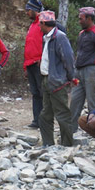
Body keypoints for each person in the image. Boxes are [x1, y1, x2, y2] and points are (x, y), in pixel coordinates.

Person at [37, 11, 77, 147]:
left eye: (39, 23)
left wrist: (72, 78)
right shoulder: (47, 38)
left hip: (57, 82)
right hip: (47, 80)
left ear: (43, 23)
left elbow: (69, 59)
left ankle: (67, 146)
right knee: (45, 115)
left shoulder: (60, 37)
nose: (38, 26)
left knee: (62, 114)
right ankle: (49, 145)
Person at [69, 6, 95, 126]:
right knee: (75, 101)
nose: (79, 21)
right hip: (79, 71)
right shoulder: (81, 34)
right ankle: (71, 131)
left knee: (93, 102)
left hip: (92, 70)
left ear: (89, 19)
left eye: (81, 19)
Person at [22, 0, 45, 128]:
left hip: (39, 64)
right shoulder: (32, 26)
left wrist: (43, 60)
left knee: (43, 93)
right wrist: (25, 66)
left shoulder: (43, 23)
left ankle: (44, 121)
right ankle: (37, 121)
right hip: (30, 64)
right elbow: (28, 47)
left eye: (28, 10)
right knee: (35, 93)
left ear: (35, 10)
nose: (26, 13)